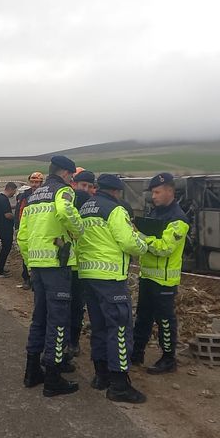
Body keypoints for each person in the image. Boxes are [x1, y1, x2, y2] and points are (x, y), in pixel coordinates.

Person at [77, 174, 148, 403]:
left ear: (98, 188)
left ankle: (101, 376)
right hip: (110, 278)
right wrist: (143, 243)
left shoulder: (85, 208)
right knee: (119, 327)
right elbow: (129, 242)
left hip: (88, 274)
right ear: (117, 191)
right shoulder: (115, 210)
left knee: (98, 327)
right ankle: (119, 385)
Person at [17, 156, 84, 397]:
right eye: (72, 176)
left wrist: (30, 260)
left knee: (39, 319)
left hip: (37, 263)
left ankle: (32, 370)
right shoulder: (63, 191)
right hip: (57, 263)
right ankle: (53, 377)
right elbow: (66, 212)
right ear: (66, 173)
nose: (72, 180)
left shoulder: (33, 195)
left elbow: (22, 235)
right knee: (57, 320)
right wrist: (79, 232)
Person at [132, 172, 190, 374]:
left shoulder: (178, 219)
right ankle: (136, 352)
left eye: (157, 192)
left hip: (165, 281)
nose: (153, 196)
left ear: (170, 191)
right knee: (143, 317)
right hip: (147, 276)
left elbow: (164, 248)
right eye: (152, 192)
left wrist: (140, 237)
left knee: (165, 320)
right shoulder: (155, 213)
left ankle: (168, 359)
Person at [67, 170, 96, 357]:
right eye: (82, 185)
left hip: (83, 265)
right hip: (65, 263)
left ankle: (73, 341)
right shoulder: (67, 203)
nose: (84, 189)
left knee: (77, 306)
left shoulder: (93, 206)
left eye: (88, 186)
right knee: (63, 306)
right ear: (74, 184)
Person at [14, 172, 44, 289]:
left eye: (37, 182)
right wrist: (18, 226)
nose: (34, 185)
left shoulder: (46, 195)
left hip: (40, 227)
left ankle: (38, 280)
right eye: (32, 182)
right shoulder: (25, 195)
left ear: (41, 183)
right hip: (26, 227)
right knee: (25, 253)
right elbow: (19, 210)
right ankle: (27, 278)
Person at [0, 182, 17, 277]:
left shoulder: (0, 198)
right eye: (14, 191)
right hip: (5, 228)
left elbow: (5, 209)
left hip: (1, 227)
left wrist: (16, 206)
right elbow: (7, 215)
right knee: (6, 248)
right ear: (10, 189)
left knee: (5, 248)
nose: (14, 194)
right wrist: (17, 217)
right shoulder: (4, 200)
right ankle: (0, 271)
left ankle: (0, 268)